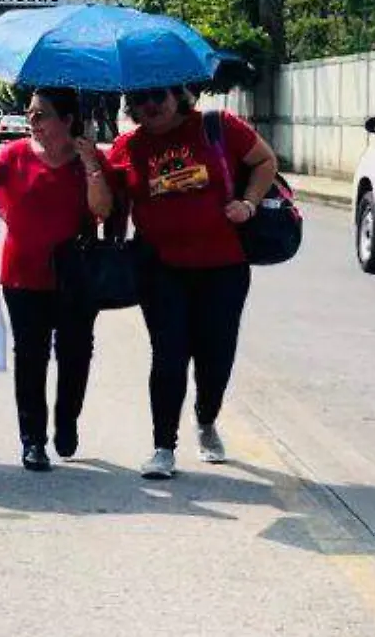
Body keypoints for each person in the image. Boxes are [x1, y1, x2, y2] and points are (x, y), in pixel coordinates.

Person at [107, 85, 280, 481]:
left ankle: (206, 419)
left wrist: (249, 204)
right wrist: (90, 165)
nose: (149, 106)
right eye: (139, 100)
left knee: (215, 355)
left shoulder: (218, 126)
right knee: (168, 354)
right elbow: (112, 205)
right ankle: (163, 447)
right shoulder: (127, 146)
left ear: (178, 96)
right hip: (160, 267)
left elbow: (265, 161)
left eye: (158, 97)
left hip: (224, 266)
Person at [0, 87, 114, 471]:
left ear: (66, 120)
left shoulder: (87, 161)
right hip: (22, 275)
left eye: (42, 113)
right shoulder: (11, 156)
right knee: (30, 358)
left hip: (76, 276)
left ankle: (67, 422)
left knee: (75, 354)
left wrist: (91, 163)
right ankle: (32, 439)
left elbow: (102, 210)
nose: (33, 120)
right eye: (29, 112)